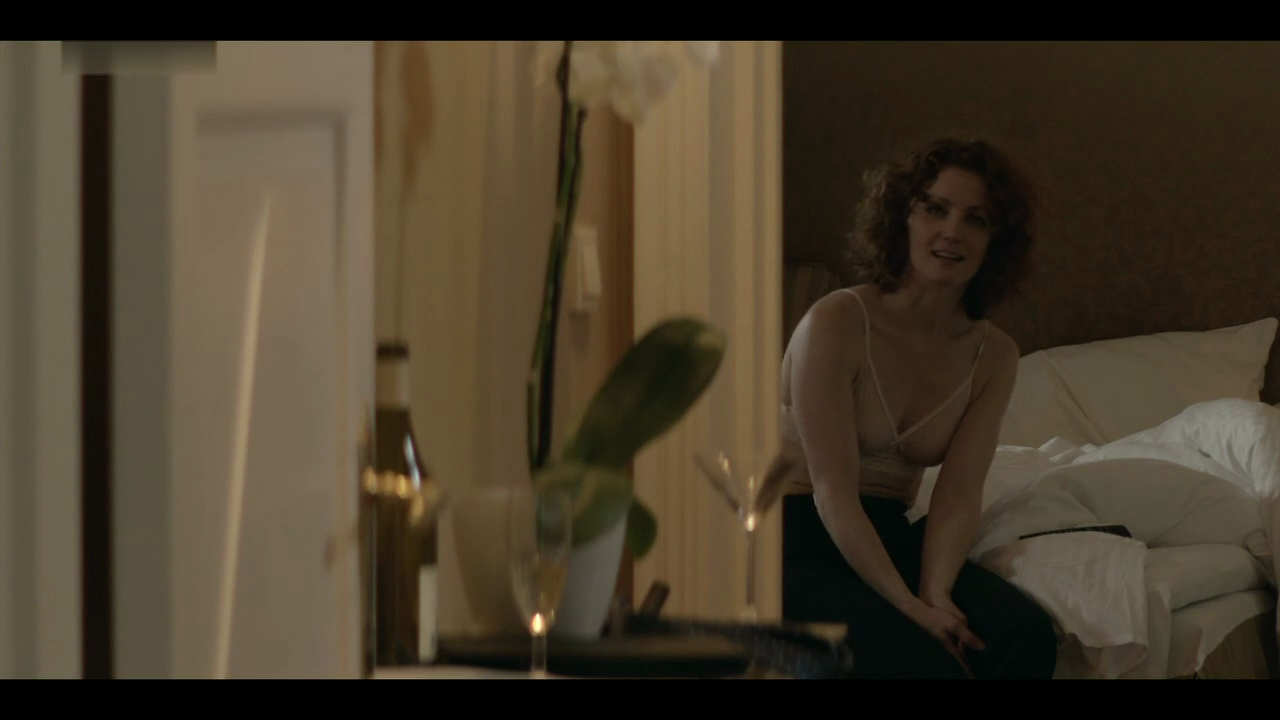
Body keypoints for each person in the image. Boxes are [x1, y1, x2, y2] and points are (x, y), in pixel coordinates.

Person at [779, 137, 1057, 679]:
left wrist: (937, 594)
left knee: (1021, 633)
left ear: (996, 240)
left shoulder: (994, 355)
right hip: (791, 539)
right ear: (901, 217)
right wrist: (910, 609)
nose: (952, 231)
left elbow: (958, 494)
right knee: (925, 664)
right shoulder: (836, 321)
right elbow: (832, 494)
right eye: (935, 209)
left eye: (976, 219)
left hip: (888, 533)